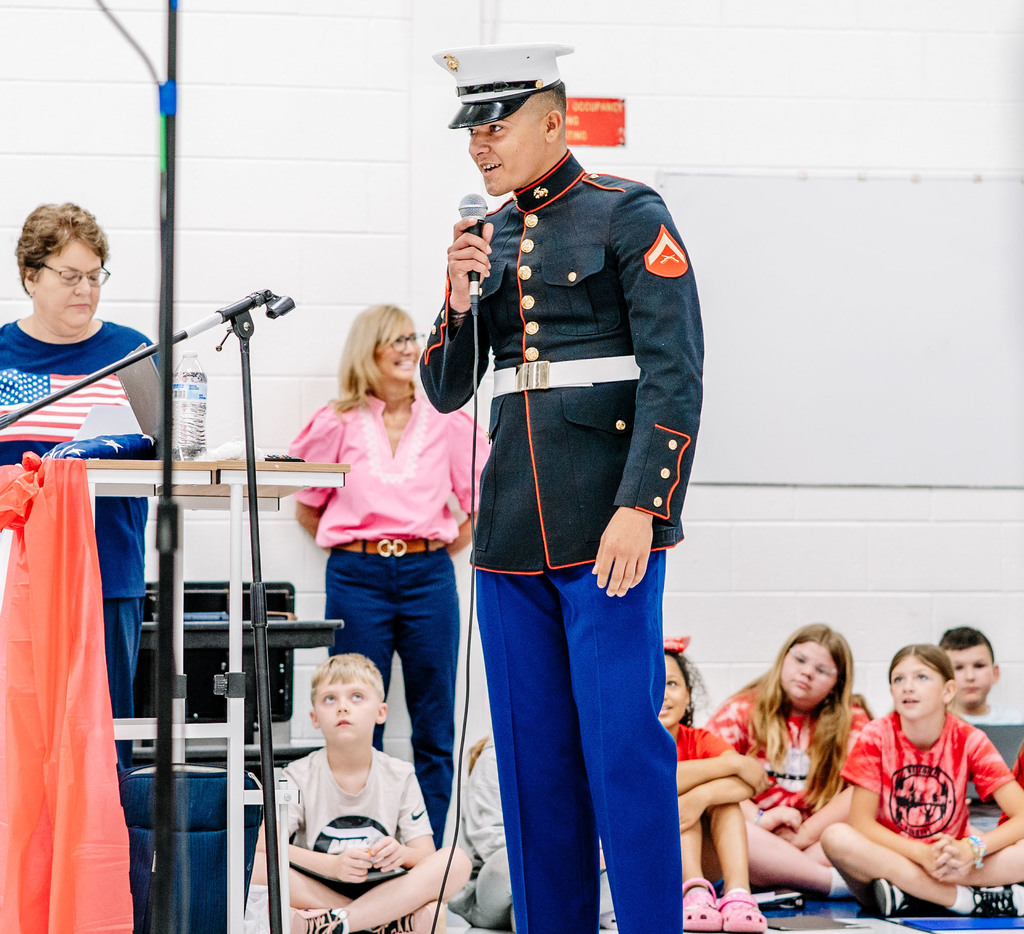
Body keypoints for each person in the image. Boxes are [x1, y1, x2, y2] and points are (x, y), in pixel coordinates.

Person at [420, 41, 703, 934]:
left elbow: (674, 373)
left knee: (623, 754)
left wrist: (643, 507)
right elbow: (447, 389)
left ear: (553, 121)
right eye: (471, 130)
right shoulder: (488, 238)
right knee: (533, 764)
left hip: (606, 525)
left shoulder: (627, 213)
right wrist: (458, 300)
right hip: (510, 531)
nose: (479, 145)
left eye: (495, 126)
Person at [289, 303, 488, 848]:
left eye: (412, 339)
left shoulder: (448, 420)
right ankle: (355, 845)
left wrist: (430, 547)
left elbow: (482, 499)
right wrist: (365, 547)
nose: (408, 349)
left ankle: (429, 859)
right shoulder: (336, 421)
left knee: (434, 723)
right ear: (368, 351)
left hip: (429, 577)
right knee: (354, 719)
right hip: (356, 578)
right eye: (395, 340)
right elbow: (306, 505)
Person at [1, 202, 151, 770]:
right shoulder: (3, 355)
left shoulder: (131, 353)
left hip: (107, 570)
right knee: (20, 736)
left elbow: (165, 451)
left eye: (94, 276)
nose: (85, 290)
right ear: (31, 276)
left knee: (102, 740)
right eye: (69, 275)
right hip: (16, 576)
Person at [250, 653, 471, 934]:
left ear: (381, 712)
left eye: (356, 697)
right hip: (321, 884)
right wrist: (331, 865)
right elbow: (264, 845)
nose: (343, 707)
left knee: (456, 861)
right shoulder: (298, 774)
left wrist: (400, 853)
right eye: (330, 699)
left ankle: (337, 922)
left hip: (386, 886)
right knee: (254, 865)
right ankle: (381, 923)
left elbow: (425, 854)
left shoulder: (400, 774)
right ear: (314, 718)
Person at [821, 644, 1024, 918]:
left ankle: (913, 897)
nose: (908, 687)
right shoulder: (875, 735)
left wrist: (972, 849)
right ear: (891, 691)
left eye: (921, 677)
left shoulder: (969, 739)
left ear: (948, 691)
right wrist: (919, 854)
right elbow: (861, 823)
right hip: (894, 859)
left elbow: (1021, 814)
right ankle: (963, 900)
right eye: (898, 679)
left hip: (950, 862)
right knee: (835, 837)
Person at [705, 624, 869, 897]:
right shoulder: (742, 709)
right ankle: (829, 884)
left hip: (815, 839)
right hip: (757, 832)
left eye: (822, 670)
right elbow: (711, 773)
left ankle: (782, 879)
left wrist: (805, 834)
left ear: (836, 684)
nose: (807, 672)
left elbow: (863, 789)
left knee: (850, 836)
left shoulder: (852, 720)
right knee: (731, 830)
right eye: (800, 660)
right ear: (784, 659)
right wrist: (760, 819)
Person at [448, 735, 618, 931]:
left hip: (569, 880)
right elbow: (491, 842)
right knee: (509, 861)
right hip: (499, 894)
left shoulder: (585, 752)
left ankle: (541, 913)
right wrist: (578, 859)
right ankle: (545, 911)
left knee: (635, 867)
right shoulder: (495, 755)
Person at [661, 639, 768, 933]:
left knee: (723, 802)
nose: (662, 693)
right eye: (652, 683)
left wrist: (702, 796)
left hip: (708, 863)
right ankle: (692, 891)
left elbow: (753, 780)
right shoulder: (633, 746)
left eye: (671, 683)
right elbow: (659, 781)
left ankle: (738, 894)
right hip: (652, 860)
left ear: (687, 695)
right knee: (680, 798)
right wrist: (730, 764)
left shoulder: (699, 741)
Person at [939, 627, 1023, 725]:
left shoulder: (1013, 722)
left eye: (979, 666)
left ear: (995, 673)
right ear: (943, 676)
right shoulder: (935, 723)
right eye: (958, 668)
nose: (970, 677)